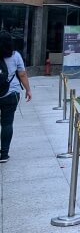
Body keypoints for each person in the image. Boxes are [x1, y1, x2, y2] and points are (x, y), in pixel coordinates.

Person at [0, 31, 32, 163]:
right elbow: (22, 75)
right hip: (11, 93)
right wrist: (28, 90)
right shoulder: (16, 55)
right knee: (7, 123)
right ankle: (4, 154)